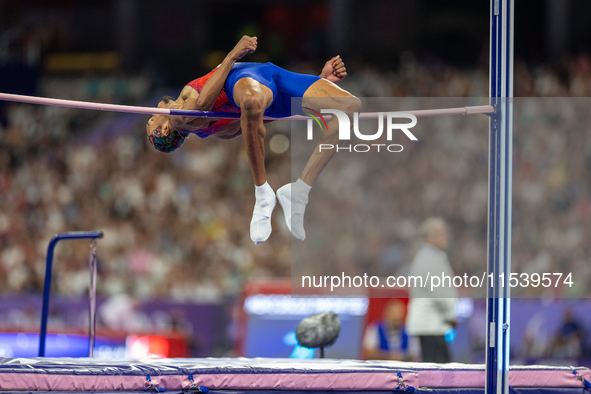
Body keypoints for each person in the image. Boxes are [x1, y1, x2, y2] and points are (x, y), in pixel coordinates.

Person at [146, 35, 360, 245]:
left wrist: (318, 86)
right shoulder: (178, 118)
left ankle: (300, 191)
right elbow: (203, 105)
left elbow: (259, 119)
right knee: (251, 101)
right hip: (243, 82)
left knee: (350, 107)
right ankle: (263, 193)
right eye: (152, 119)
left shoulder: (215, 130)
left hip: (271, 83)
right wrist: (232, 56)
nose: (153, 111)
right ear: (165, 129)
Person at [405, 217, 458, 363]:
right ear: (431, 236)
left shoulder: (432, 258)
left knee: (436, 366)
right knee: (439, 370)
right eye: (442, 233)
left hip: (432, 323)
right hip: (431, 324)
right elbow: (439, 293)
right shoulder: (428, 260)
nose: (446, 236)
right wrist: (450, 315)